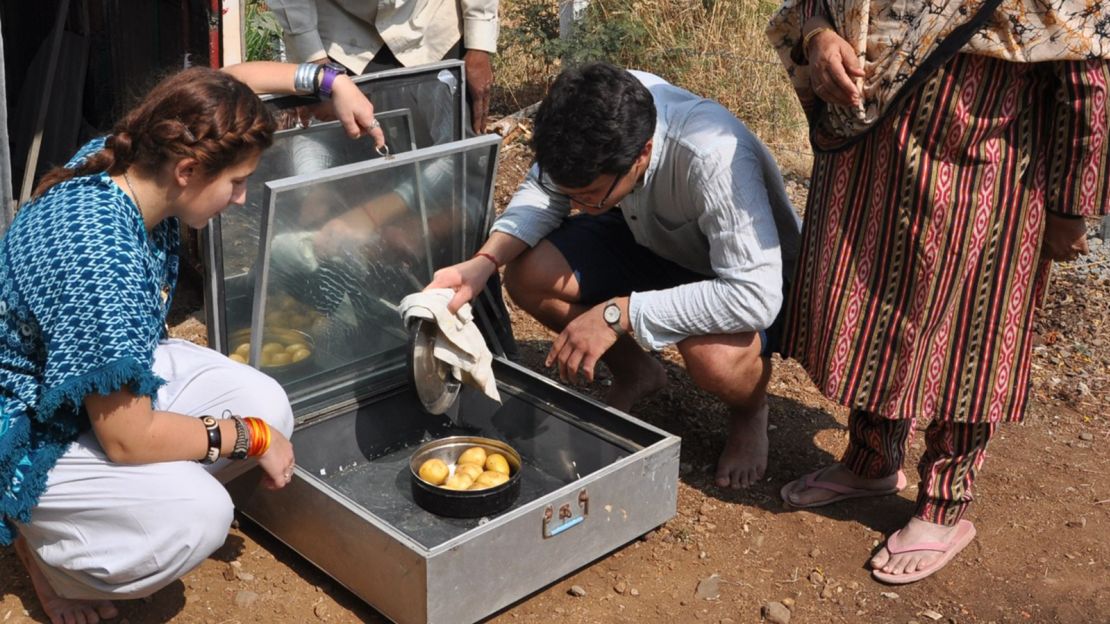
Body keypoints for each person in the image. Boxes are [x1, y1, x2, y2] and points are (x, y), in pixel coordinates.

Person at [0, 61, 379, 624]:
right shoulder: (100, 260)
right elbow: (125, 437)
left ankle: (121, 503)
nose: (243, 198)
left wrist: (328, 82)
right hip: (29, 424)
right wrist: (245, 439)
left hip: (86, 386)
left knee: (269, 403)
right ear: (188, 170)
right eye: (238, 181)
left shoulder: (130, 157)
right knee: (197, 515)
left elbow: (223, 82)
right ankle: (48, 552)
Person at [767, 0, 1110, 584]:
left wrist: (1070, 206)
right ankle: (871, 461)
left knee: (967, 338)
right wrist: (820, 36)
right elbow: (815, 8)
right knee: (872, 310)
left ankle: (945, 507)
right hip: (868, 160)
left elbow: (1087, 74)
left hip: (983, 174)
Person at [427, 62, 801, 489]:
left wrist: (617, 314)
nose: (576, 203)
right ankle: (637, 371)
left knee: (713, 359)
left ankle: (750, 411)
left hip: (735, 273)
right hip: (650, 237)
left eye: (587, 196)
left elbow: (753, 294)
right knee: (529, 274)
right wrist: (484, 263)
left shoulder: (711, 154)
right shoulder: (593, 110)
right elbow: (544, 192)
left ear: (642, 154)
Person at [268, 0, 499, 135]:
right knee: (367, 159)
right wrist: (318, 68)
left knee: (458, 153)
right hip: (345, 30)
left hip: (433, 19)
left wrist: (479, 44)